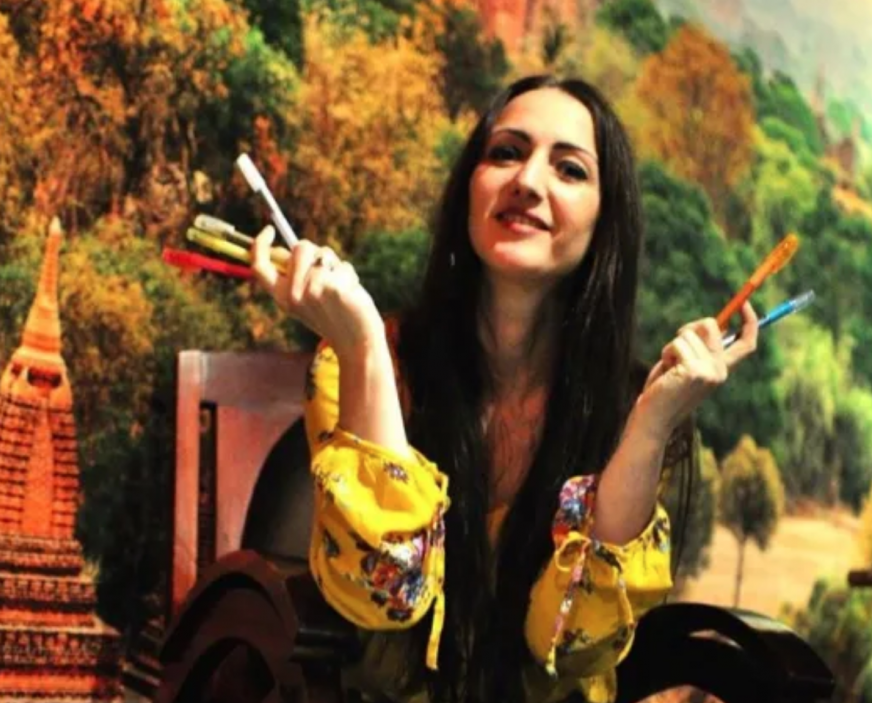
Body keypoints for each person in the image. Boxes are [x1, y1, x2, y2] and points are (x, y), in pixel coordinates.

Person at [250, 74, 759, 703]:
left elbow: (571, 644)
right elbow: (385, 593)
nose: (528, 181)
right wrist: (363, 347)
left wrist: (651, 425)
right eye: (507, 152)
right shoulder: (362, 363)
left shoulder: (632, 408)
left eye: (569, 169)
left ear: (605, 222)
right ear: (469, 188)